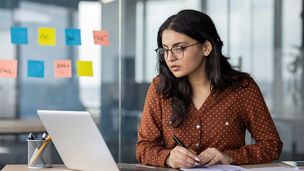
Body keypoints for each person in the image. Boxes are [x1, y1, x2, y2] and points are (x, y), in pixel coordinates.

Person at [136, 9, 283, 169]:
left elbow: (271, 145)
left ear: (206, 47)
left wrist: (230, 157)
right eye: (165, 49)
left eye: (179, 48)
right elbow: (144, 147)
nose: (170, 57)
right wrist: (168, 158)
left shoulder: (242, 87)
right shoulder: (160, 87)